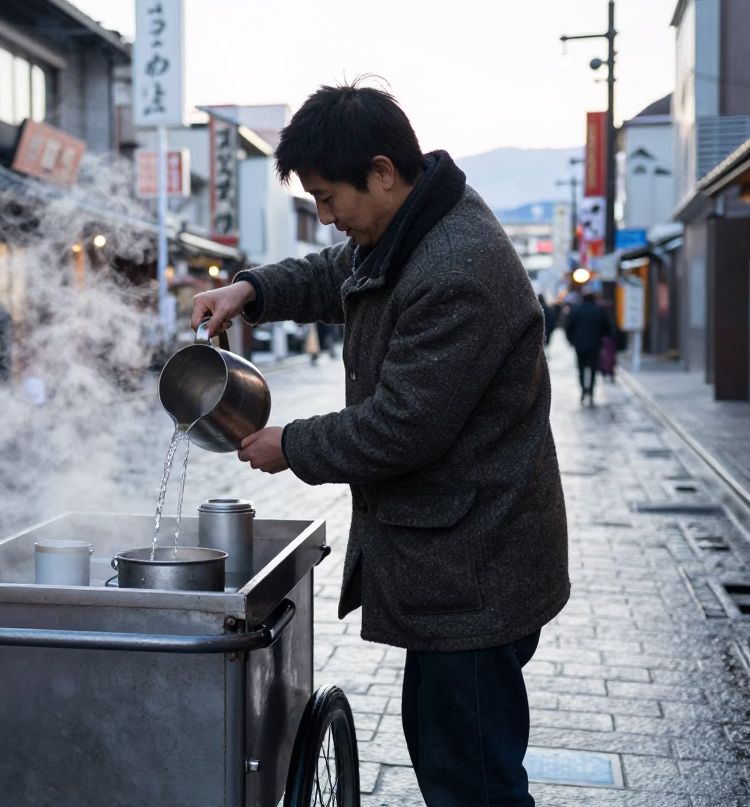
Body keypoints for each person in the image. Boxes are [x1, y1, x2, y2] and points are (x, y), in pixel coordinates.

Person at [191, 81, 568, 807]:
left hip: (476, 566)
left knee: (474, 780)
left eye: (330, 199)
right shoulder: (408, 228)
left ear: (383, 172)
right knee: (449, 753)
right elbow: (338, 275)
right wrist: (253, 291)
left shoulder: (458, 266)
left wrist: (289, 444)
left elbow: (403, 425)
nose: (328, 219)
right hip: (456, 560)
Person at [564, 291, 613, 405]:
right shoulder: (599, 310)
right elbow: (607, 328)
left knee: (580, 368)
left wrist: (571, 341)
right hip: (595, 344)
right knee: (593, 368)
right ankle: (591, 390)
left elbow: (568, 327)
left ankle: (582, 390)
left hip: (579, 345)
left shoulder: (576, 310)